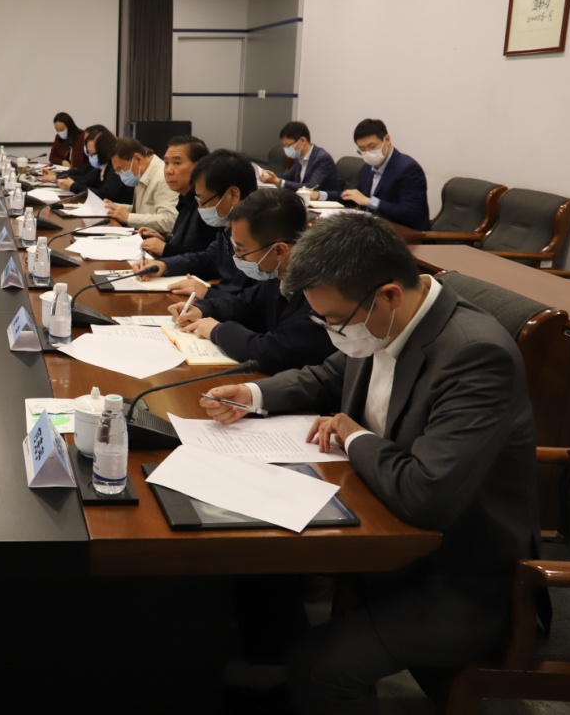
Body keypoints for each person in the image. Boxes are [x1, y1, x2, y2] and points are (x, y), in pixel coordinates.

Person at [202, 212, 538, 714]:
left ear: (389, 295)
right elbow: (327, 375)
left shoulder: (475, 356)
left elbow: (426, 494)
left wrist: (353, 434)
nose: (330, 331)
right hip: (384, 530)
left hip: (459, 578)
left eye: (333, 321)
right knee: (260, 575)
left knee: (319, 666)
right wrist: (251, 394)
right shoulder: (383, 322)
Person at [168, 188, 334, 374]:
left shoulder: (321, 290)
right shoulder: (278, 272)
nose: (236, 258)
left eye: (241, 250)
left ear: (279, 250)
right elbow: (244, 304)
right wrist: (202, 309)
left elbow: (276, 352)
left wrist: (217, 331)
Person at [133, 149, 259, 300]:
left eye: (203, 201)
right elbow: (208, 259)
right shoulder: (228, 226)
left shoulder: (261, 236)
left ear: (232, 195)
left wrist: (207, 294)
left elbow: (251, 305)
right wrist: (164, 265)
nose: (200, 208)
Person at [341, 118, 430, 230]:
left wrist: (370, 202)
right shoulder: (368, 167)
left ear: (387, 140)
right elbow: (355, 196)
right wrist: (322, 195)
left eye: (372, 147)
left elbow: (411, 213)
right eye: (362, 149)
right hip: (374, 228)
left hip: (405, 233)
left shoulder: (408, 168)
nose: (368, 153)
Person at [138, 135, 214, 258]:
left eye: (177, 163)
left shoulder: (207, 204)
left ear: (199, 167)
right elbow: (188, 245)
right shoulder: (185, 198)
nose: (168, 170)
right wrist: (165, 240)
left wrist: (166, 249)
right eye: (166, 163)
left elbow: (206, 258)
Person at [104, 137, 180, 233]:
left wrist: (128, 217)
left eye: (121, 169)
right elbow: (142, 211)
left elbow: (170, 221)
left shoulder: (163, 177)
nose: (120, 175)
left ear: (138, 159)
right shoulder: (140, 174)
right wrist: (114, 207)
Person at [47, 125, 133, 203]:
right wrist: (59, 177)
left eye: (93, 154)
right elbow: (85, 179)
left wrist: (73, 186)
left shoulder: (116, 166)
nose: (90, 157)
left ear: (104, 150)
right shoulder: (101, 165)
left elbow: (104, 194)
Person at [258, 121, 339, 197]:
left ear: (303, 141)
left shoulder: (322, 159)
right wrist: (272, 177)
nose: (286, 149)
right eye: (284, 146)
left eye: (288, 145)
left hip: (323, 204)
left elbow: (310, 187)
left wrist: (278, 181)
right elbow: (286, 178)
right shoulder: (300, 157)